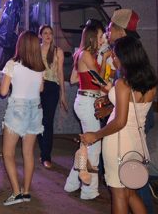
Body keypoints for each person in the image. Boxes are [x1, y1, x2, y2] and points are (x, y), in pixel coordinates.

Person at [81, 36, 157, 214]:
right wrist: (110, 109)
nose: (113, 59)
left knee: (119, 195)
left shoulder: (123, 83)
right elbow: (134, 109)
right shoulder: (150, 82)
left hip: (118, 144)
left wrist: (95, 135)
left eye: (115, 56)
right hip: (137, 142)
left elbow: (121, 121)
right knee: (130, 193)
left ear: (126, 57)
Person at [0, 31, 45, 205]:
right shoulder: (39, 66)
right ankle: (26, 191)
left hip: (18, 109)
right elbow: (41, 89)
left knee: (8, 153)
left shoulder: (12, 64)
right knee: (28, 153)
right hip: (35, 108)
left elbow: (3, 91)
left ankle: (16, 192)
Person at [64, 22, 107, 200]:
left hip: (85, 100)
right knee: (94, 146)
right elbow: (100, 80)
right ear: (92, 37)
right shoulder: (87, 54)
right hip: (88, 101)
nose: (102, 39)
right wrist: (104, 58)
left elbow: (73, 79)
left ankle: (72, 183)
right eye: (100, 36)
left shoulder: (81, 53)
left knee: (86, 145)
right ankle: (89, 190)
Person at [37, 25, 68, 169]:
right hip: (37, 87)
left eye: (50, 33)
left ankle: (46, 156)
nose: (48, 35)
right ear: (40, 35)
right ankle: (43, 150)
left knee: (47, 122)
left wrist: (63, 94)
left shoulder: (57, 51)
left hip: (52, 87)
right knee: (37, 121)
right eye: (45, 33)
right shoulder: (36, 50)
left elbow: (60, 72)